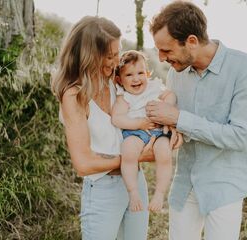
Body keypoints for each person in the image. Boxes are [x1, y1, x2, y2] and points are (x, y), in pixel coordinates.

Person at [146, 1, 247, 240]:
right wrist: (169, 132)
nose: (161, 58)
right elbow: (176, 127)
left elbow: (241, 136)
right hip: (185, 183)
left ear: (191, 41)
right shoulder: (175, 73)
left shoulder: (246, 68)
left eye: (166, 50)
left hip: (225, 186)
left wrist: (179, 119)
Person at [51, 16, 168, 240]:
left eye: (118, 53)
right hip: (103, 188)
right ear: (89, 55)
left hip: (135, 182)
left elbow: (151, 101)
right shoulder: (74, 96)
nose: (117, 62)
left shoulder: (117, 82)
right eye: (110, 56)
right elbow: (84, 164)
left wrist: (172, 129)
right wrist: (136, 157)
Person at [111, 50, 177, 212]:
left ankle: (160, 193)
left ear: (147, 73)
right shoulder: (123, 97)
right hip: (136, 133)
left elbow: (170, 95)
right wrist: (138, 123)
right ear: (119, 80)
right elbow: (117, 118)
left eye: (141, 73)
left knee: (164, 153)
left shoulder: (154, 87)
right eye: (129, 75)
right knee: (128, 151)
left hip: (158, 130)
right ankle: (133, 193)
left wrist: (166, 107)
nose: (136, 78)